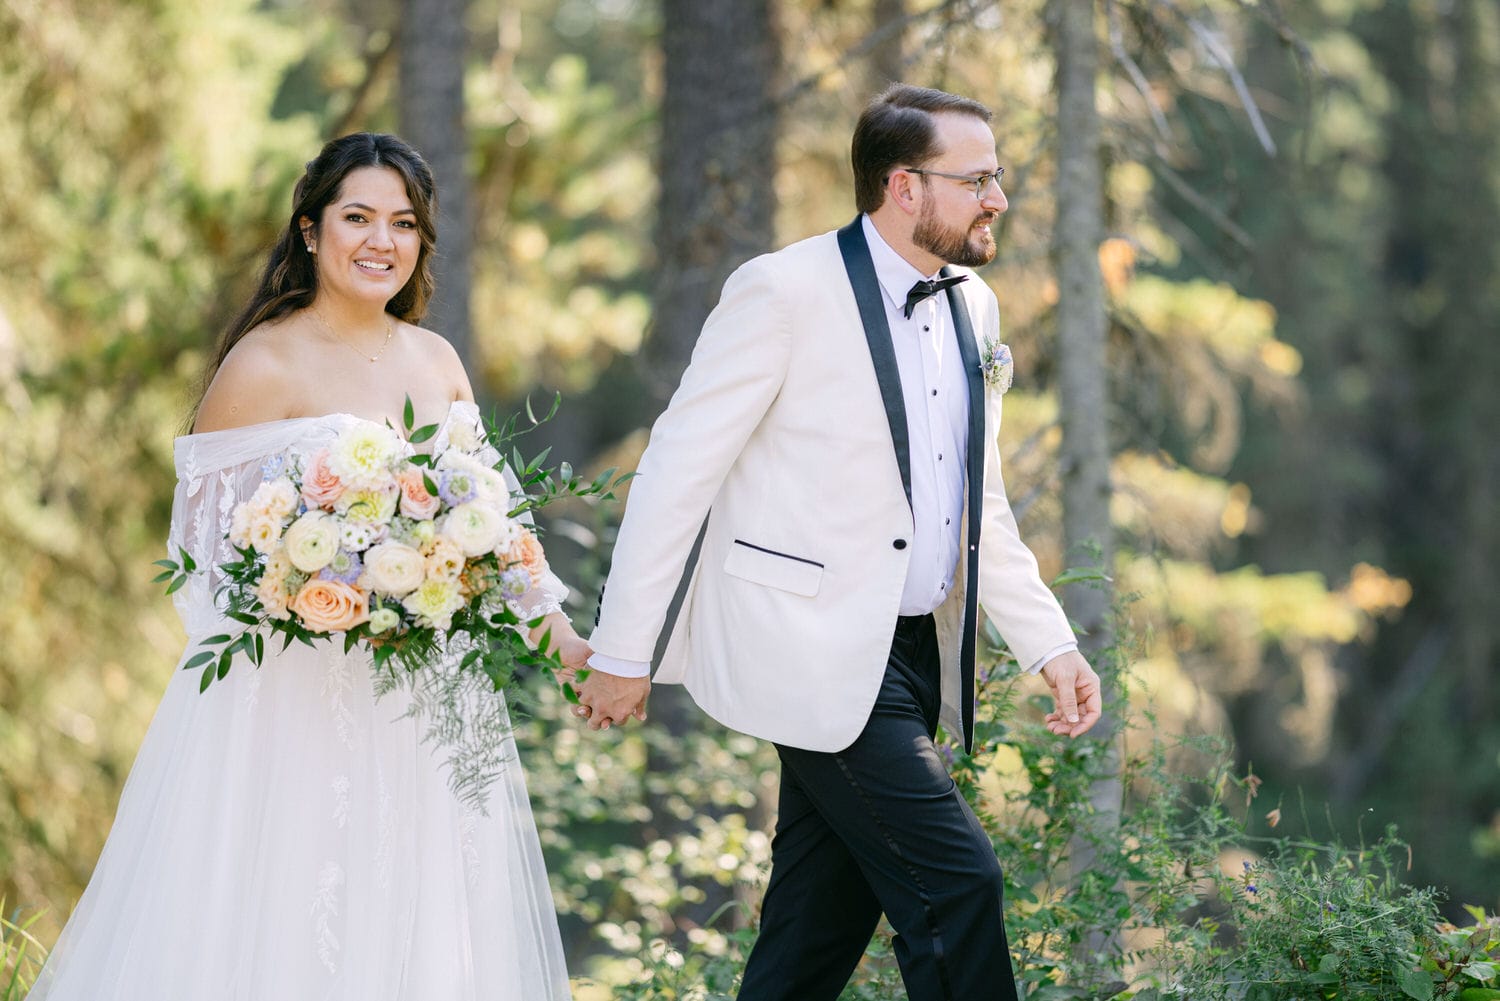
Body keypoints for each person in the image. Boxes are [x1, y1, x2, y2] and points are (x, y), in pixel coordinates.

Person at [577, 84, 1104, 1001]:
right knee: (957, 884)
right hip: (812, 650)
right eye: (977, 178)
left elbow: (980, 502)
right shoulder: (781, 291)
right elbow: (676, 474)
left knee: (813, 933)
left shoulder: (974, 307)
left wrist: (1048, 641)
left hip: (914, 654)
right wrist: (625, 648)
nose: (999, 198)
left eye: (999, 176)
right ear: (904, 186)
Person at [28, 133, 583, 1000]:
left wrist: (567, 644)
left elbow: (498, 533)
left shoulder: (436, 360)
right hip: (289, 704)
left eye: (403, 223)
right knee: (292, 910)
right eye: (356, 217)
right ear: (311, 230)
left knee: (417, 920)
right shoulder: (264, 361)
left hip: (423, 701)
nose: (381, 241)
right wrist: (333, 588)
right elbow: (206, 555)